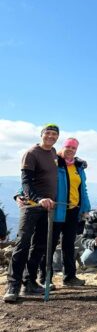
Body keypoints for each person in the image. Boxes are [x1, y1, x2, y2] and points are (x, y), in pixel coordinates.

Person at [3, 124, 59, 303]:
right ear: (41, 135)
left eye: (54, 134)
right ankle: (13, 286)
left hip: (47, 208)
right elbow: (26, 182)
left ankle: (30, 282)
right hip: (31, 206)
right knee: (23, 244)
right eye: (48, 133)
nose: (51, 136)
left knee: (39, 246)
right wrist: (38, 198)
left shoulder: (53, 152)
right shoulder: (31, 153)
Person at [41, 138, 91, 287]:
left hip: (73, 210)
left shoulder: (78, 166)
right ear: (63, 147)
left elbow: (83, 189)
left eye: (74, 148)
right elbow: (40, 179)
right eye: (68, 147)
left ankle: (69, 277)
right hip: (56, 210)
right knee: (49, 245)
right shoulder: (54, 162)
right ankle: (45, 279)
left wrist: (85, 208)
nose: (70, 150)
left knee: (69, 245)